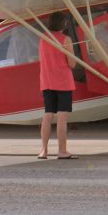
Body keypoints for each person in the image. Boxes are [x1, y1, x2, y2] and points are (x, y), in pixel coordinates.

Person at [37, 11, 78, 160]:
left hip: (47, 82)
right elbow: (72, 64)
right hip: (63, 82)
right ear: (63, 24)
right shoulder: (66, 39)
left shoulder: (42, 38)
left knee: (48, 115)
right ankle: (62, 151)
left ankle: (43, 150)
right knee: (62, 117)